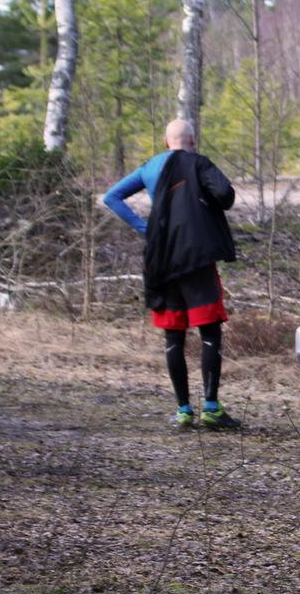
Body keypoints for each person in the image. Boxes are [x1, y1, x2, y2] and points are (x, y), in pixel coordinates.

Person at [103, 119, 242, 430]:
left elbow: (111, 197)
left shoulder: (149, 168)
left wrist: (147, 229)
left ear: (166, 142)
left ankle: (182, 410)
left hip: (161, 260)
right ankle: (211, 408)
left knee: (173, 336)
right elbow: (225, 196)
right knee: (209, 332)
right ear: (192, 139)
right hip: (197, 259)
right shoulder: (199, 163)